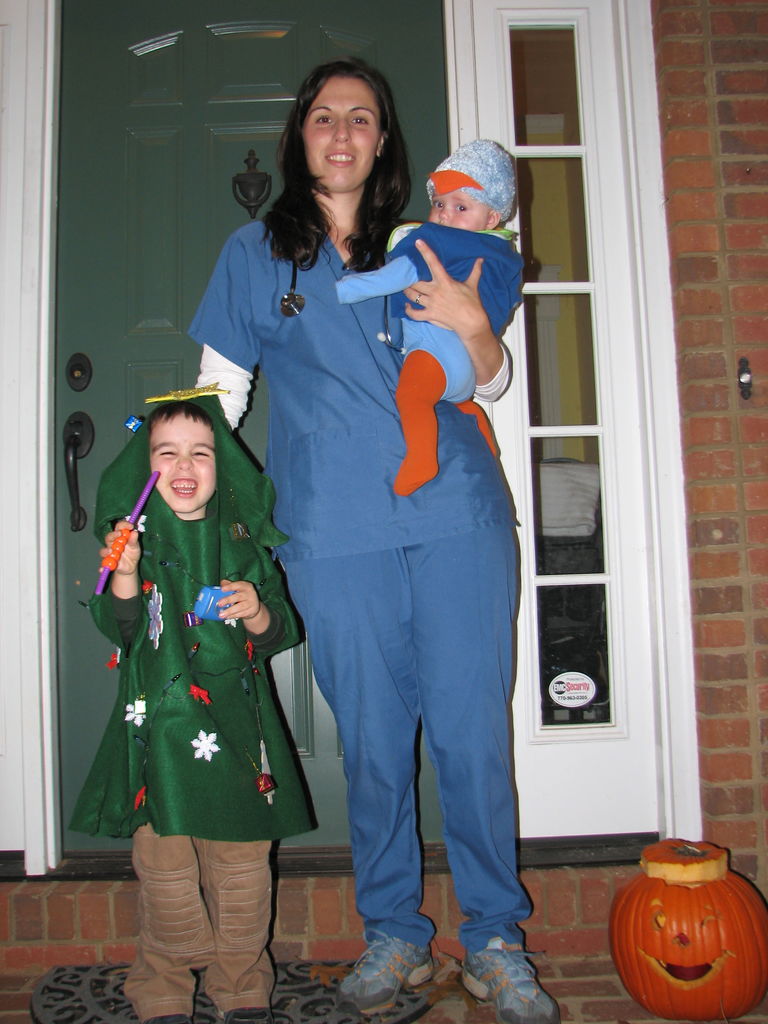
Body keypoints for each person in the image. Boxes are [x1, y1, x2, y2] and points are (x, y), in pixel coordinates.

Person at [191, 56, 560, 1024]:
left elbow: (489, 380)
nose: (343, 132)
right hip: (332, 528)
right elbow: (220, 396)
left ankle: (493, 939)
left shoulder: (437, 239)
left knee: (473, 735)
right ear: (300, 134)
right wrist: (178, 492)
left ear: (384, 140)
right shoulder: (254, 254)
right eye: (324, 117)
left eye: (362, 118)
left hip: (459, 516)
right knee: (375, 744)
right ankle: (395, 930)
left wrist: (479, 328)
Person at [70, 391, 313, 1024]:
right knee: (165, 865)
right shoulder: (136, 541)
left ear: (220, 466)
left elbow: (282, 627)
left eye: (200, 453)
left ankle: (241, 984)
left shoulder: (243, 544)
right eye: (166, 453)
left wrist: (258, 612)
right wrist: (123, 575)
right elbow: (119, 626)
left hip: (238, 733)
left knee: (242, 866)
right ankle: (161, 984)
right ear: (145, 469)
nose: (184, 464)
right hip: (162, 731)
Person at [336, 138, 522, 495]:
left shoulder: (435, 242)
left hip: (436, 352)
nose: (444, 214)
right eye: (439, 203)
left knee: (413, 395)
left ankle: (422, 457)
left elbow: (397, 275)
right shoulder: (501, 256)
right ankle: (481, 430)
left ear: (492, 217)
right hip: (460, 373)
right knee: (458, 401)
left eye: (460, 206)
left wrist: (341, 291)